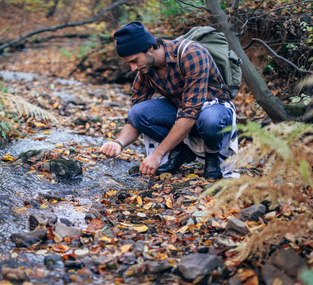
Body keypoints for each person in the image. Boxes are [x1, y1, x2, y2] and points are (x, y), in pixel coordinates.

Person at [99, 21, 238, 179]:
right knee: (137, 113)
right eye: (129, 63)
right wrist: (118, 143)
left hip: (215, 110)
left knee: (209, 119)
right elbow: (133, 120)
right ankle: (180, 151)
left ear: (149, 48)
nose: (133, 68)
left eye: (134, 61)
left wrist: (157, 155)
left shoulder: (192, 53)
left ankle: (213, 156)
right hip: (183, 113)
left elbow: (191, 113)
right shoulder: (145, 71)